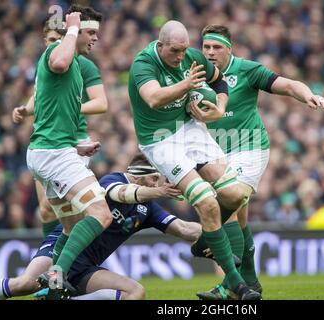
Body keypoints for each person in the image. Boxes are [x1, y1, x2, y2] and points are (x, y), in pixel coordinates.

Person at [194, 24, 324, 300]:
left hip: (250, 148)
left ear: (229, 49)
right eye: (206, 47)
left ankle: (228, 281)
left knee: (228, 199)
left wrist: (309, 96)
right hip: (216, 155)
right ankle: (251, 283)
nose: (209, 52)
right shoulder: (195, 75)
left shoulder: (247, 70)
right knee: (239, 221)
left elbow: (289, 84)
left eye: (216, 47)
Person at [128, 20, 260, 300]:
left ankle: (204, 241)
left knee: (235, 195)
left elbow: (219, 79)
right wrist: (186, 84)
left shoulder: (191, 56)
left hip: (189, 128)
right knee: (207, 202)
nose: (180, 57)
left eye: (184, 50)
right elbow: (153, 98)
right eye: (174, 51)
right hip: (160, 139)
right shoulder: (144, 63)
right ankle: (237, 285)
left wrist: (219, 108)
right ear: (160, 45)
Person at [0, 154, 200, 300]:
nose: (157, 185)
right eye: (154, 179)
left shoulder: (148, 208)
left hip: (85, 265)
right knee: (27, 284)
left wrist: (217, 230)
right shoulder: (112, 179)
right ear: (138, 174)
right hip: (62, 246)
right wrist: (158, 192)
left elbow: (184, 229)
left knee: (135, 292)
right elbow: (119, 194)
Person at [26, 4, 111, 295]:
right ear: (73, 31)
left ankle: (52, 287)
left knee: (70, 226)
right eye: (90, 32)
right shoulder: (57, 55)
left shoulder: (76, 67)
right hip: (53, 155)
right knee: (101, 214)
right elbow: (59, 62)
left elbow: (54, 116)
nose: (95, 38)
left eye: (97, 33)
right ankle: (56, 277)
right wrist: (72, 29)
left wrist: (77, 145)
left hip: (54, 150)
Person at [12, 18, 108, 239]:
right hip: (52, 145)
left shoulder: (82, 63)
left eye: (59, 39)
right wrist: (25, 110)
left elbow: (101, 103)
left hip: (70, 142)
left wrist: (68, 109)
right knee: (48, 212)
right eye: (51, 40)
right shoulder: (48, 59)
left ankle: (65, 265)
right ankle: (53, 264)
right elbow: (40, 97)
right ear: (45, 41)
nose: (55, 44)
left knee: (83, 213)